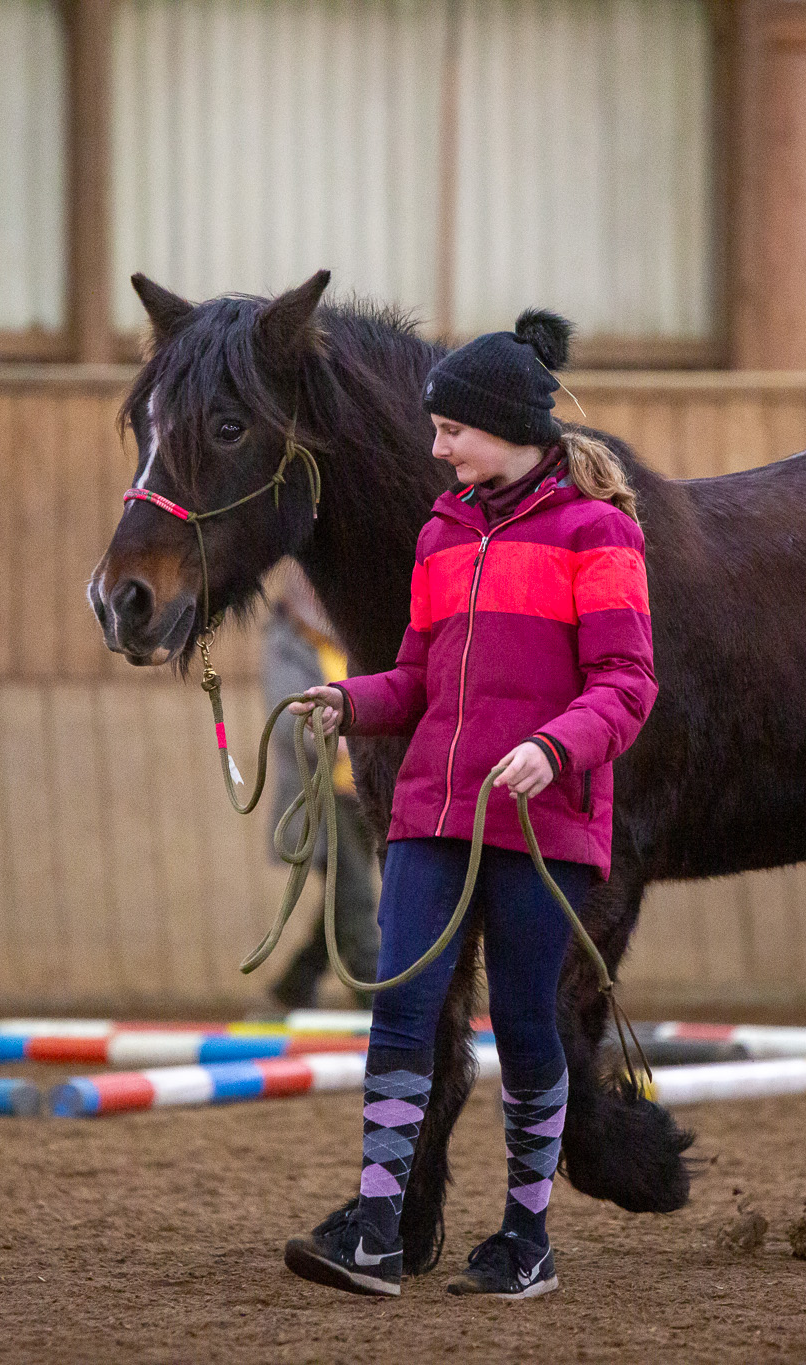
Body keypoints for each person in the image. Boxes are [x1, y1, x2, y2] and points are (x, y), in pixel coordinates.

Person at [280, 309, 656, 1300]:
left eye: (451, 430)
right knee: (402, 1009)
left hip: (543, 822)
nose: (437, 447)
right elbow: (415, 676)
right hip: (432, 815)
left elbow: (626, 684)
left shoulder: (599, 533)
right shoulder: (441, 532)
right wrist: (349, 700)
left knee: (528, 1025)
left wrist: (553, 747)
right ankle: (376, 1227)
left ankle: (525, 1238)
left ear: (504, 428)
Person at [259, 563, 380, 1011]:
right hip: (325, 797)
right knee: (356, 900)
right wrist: (340, 738)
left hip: (365, 793)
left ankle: (293, 987)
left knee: (342, 901)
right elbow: (288, 714)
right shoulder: (286, 646)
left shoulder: (352, 641)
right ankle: (377, 1002)